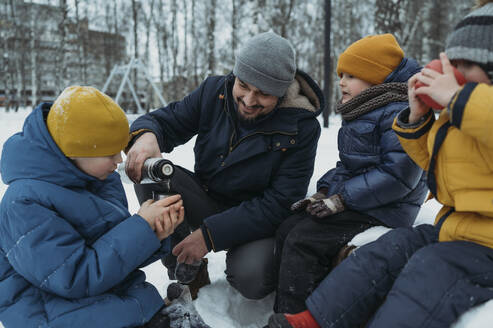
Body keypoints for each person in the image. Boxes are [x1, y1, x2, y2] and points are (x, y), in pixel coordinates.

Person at [267, 1, 493, 327]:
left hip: (479, 245)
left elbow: (400, 174)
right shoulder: (463, 118)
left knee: (429, 270)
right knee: (384, 253)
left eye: (463, 65)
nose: (451, 73)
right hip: (457, 232)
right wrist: (416, 121)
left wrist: (458, 99)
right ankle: (309, 320)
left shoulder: (468, 108)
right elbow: (435, 169)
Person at [125, 31, 324, 299]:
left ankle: (230, 257)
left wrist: (210, 235)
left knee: (252, 278)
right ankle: (185, 268)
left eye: (263, 93)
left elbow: (280, 201)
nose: (249, 100)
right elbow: (165, 121)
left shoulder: (302, 126)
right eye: (243, 85)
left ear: (281, 93)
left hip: (257, 220)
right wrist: (146, 135)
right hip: (207, 198)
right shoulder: (214, 92)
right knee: (152, 172)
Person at [0, 86, 184, 328]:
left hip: (94, 295)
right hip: (49, 311)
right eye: (110, 153)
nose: (119, 160)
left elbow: (109, 250)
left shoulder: (97, 178)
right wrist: (141, 228)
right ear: (76, 152)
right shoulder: (24, 203)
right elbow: (74, 277)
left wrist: (153, 232)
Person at [271, 33, 428, 315]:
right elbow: (349, 166)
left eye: (352, 75)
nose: (342, 81)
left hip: (388, 207)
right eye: (341, 74)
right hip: (362, 200)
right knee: (289, 227)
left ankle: (297, 317)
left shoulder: (399, 112)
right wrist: (324, 191)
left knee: (304, 240)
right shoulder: (365, 111)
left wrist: (342, 198)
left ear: (377, 78)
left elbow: (399, 176)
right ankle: (285, 308)